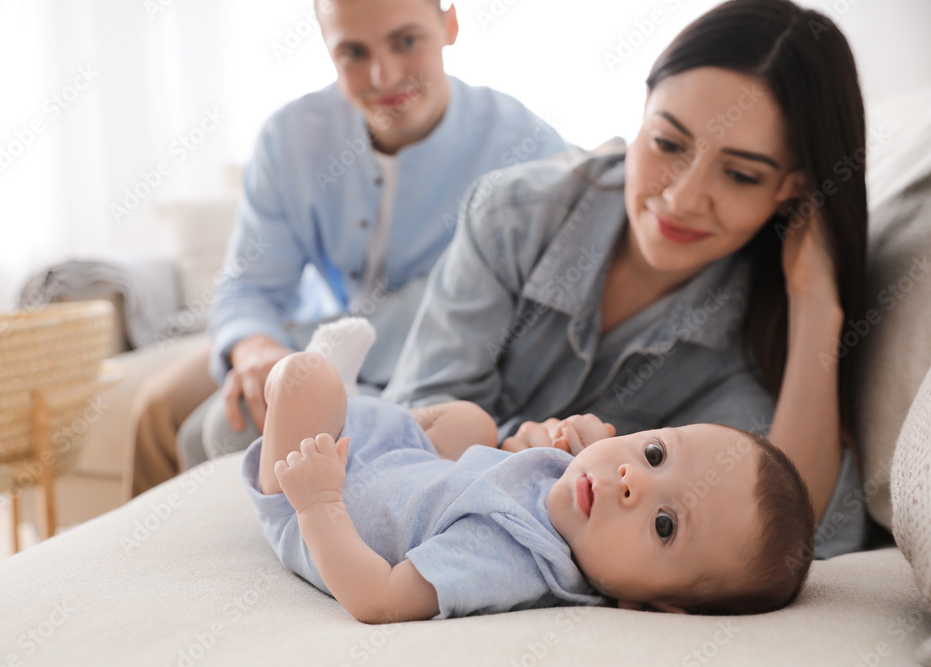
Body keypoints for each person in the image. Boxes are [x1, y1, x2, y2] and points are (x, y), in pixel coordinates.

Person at [382, 0, 869, 559]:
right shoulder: (517, 212)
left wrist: (816, 307)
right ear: (642, 111)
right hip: (379, 345)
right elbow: (410, 426)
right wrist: (512, 449)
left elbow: (791, 541)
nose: (681, 199)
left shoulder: (750, 347)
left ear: (792, 188)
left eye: (738, 174)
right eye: (667, 143)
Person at [125, 0, 567, 497]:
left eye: (406, 41)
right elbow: (250, 284)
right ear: (327, 48)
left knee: (216, 432)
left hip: (431, 364)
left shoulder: (527, 148)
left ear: (450, 24)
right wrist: (256, 348)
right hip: (311, 337)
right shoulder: (289, 139)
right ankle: (132, 564)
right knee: (158, 404)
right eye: (353, 53)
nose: (384, 75)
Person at [241, 325, 815, 622]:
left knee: (303, 377)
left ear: (658, 608)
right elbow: (507, 466)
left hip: (316, 490)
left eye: (664, 525)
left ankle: (339, 394)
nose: (631, 481)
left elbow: (380, 601)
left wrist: (318, 506)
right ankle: (363, 409)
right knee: (472, 422)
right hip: (412, 470)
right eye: (656, 455)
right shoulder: (576, 516)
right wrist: (559, 442)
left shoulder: (510, 560)